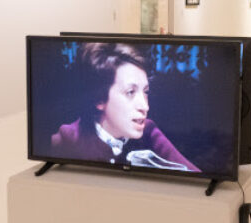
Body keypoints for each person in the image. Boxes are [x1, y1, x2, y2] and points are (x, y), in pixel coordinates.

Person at [49, 43, 200, 172]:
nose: (145, 106)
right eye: (130, 92)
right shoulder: (68, 138)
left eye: (145, 92)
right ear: (98, 98)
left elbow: (195, 177)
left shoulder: (148, 131)